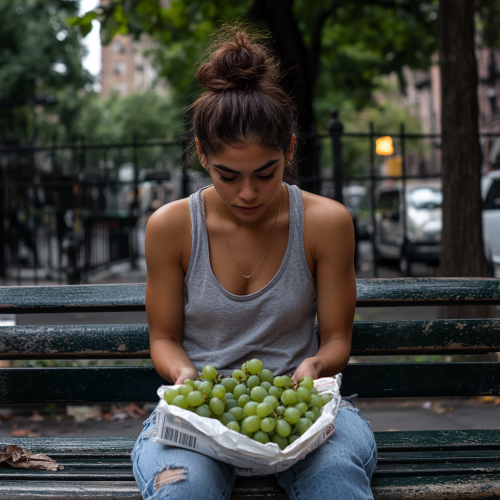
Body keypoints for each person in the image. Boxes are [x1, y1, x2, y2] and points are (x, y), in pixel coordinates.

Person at [132, 27, 377, 500]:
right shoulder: (172, 226)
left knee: (335, 481)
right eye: (228, 176)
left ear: (288, 149)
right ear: (202, 155)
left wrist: (316, 366)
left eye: (266, 174)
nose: (247, 193)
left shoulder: (325, 222)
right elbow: (162, 338)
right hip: (200, 419)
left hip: (304, 411)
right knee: (184, 490)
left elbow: (337, 338)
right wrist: (183, 374)